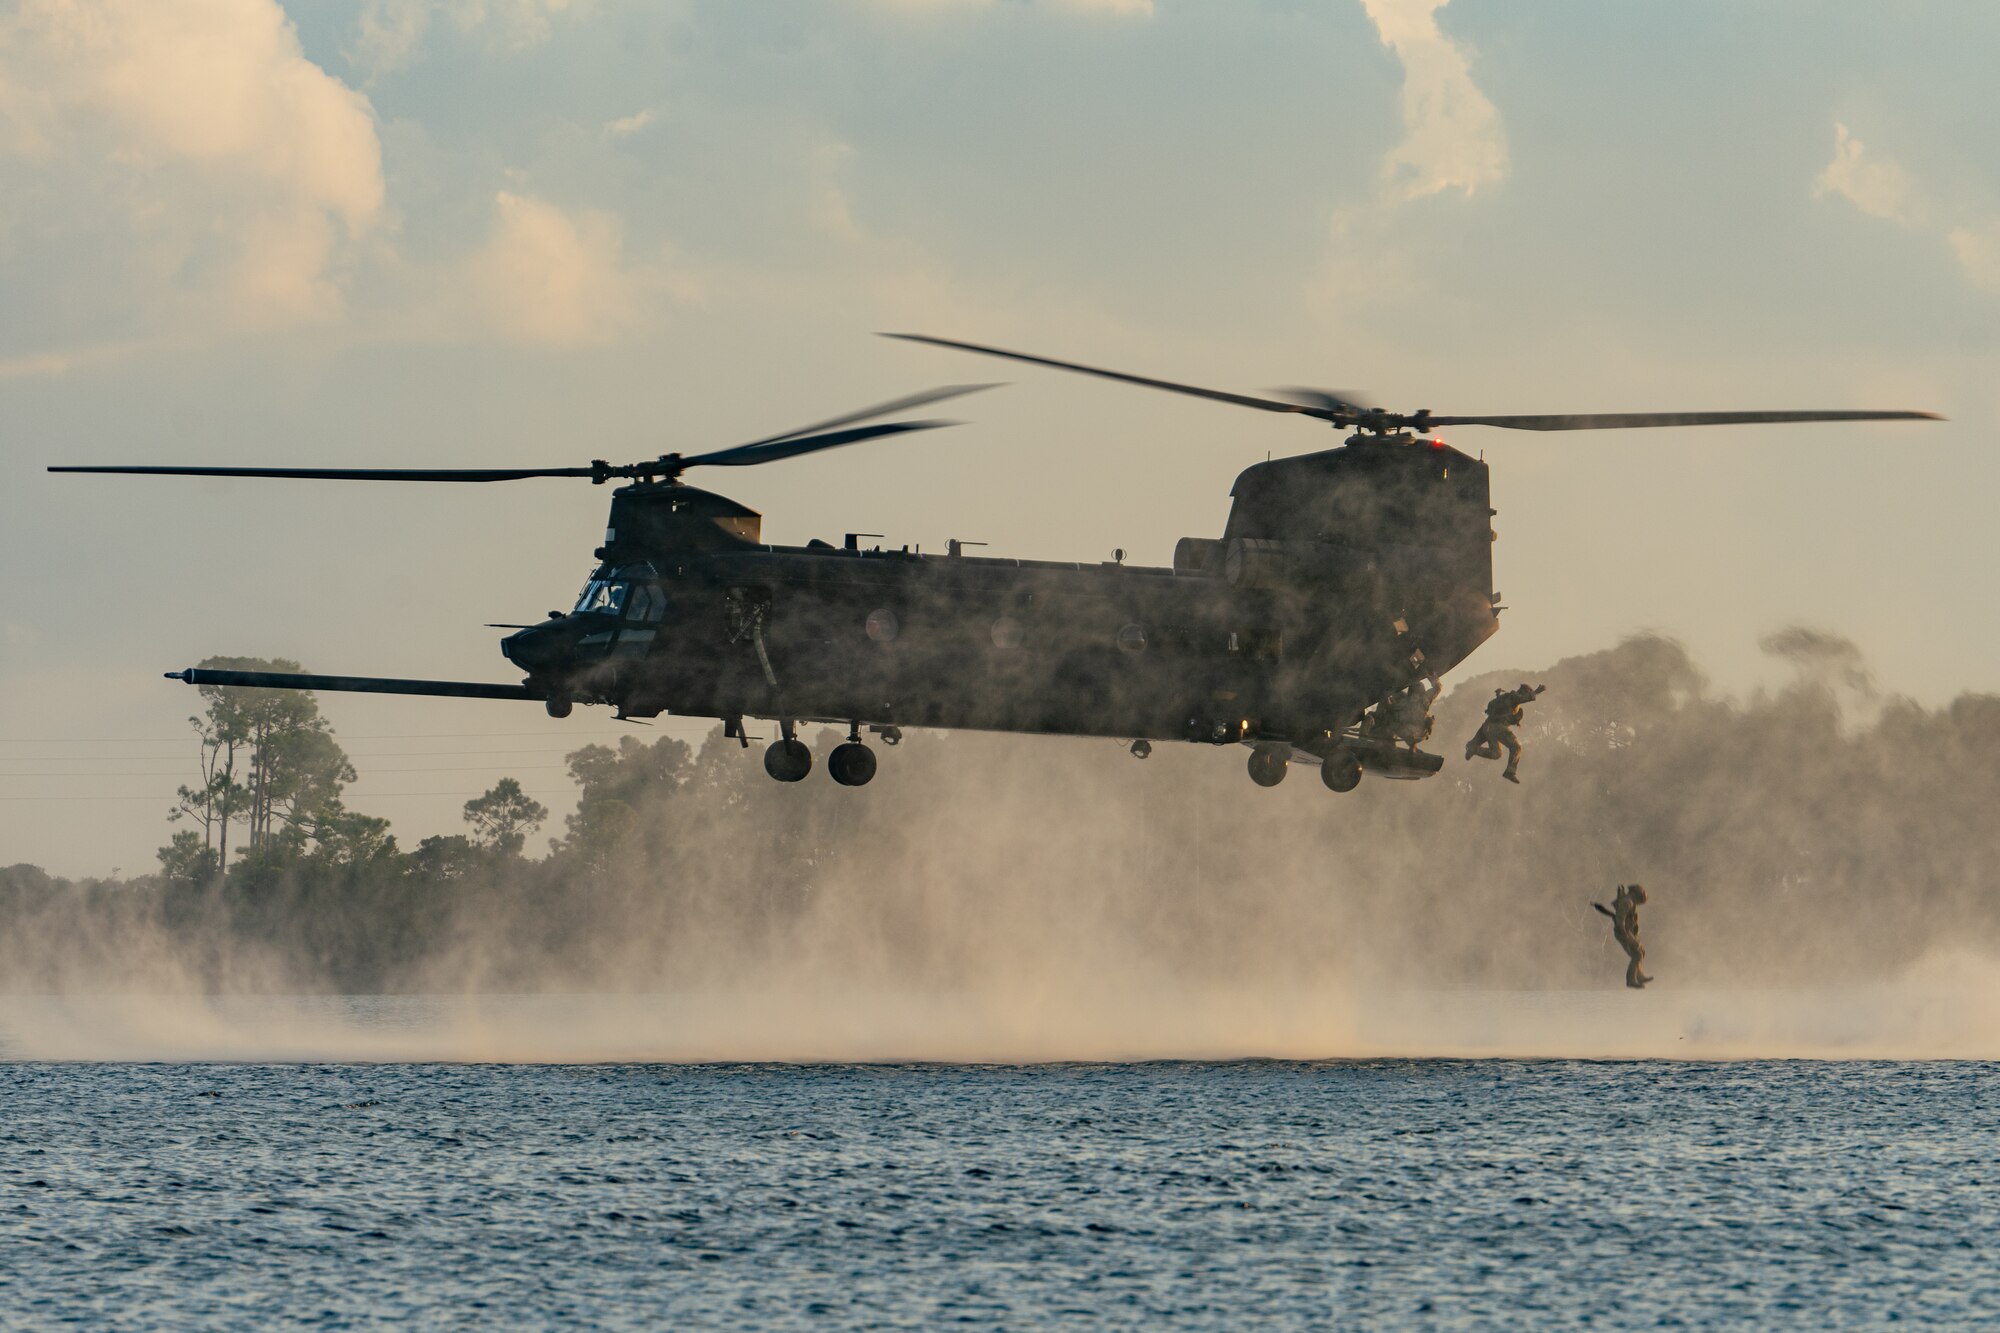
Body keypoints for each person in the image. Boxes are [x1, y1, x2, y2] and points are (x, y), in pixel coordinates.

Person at [1464, 682, 1544, 782]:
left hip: (1487, 727)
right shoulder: (1513, 696)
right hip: (1496, 728)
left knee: (1496, 753)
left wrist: (1473, 744)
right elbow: (1522, 699)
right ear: (1523, 692)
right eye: (1527, 693)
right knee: (1516, 747)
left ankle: (1475, 749)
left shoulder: (1505, 699)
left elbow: (1491, 713)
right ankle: (1510, 771)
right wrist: (1537, 691)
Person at [1592, 884, 1652, 989]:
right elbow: (1620, 918)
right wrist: (1623, 930)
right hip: (1623, 931)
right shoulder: (1627, 902)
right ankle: (1631, 980)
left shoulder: (1629, 901)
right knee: (1637, 954)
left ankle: (1639, 975)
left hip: (1627, 931)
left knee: (1639, 953)